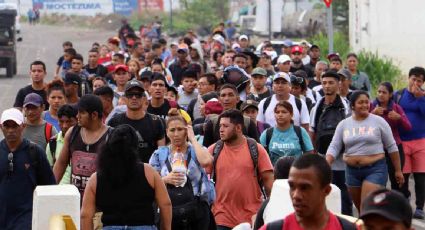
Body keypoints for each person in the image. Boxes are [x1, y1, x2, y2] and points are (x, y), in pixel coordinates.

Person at [81, 125, 172, 230]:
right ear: (135, 146)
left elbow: (85, 215)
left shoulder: (95, 178)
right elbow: (166, 203)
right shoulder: (149, 172)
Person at [326, 90, 404, 211]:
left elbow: (392, 146)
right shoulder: (343, 124)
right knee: (361, 211)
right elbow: (334, 146)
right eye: (360, 102)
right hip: (351, 172)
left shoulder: (379, 121)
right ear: (352, 105)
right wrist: (327, 163)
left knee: (367, 208)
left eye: (366, 102)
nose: (364, 105)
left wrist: (398, 170)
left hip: (375, 169)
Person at [204, 109, 273, 229]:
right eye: (220, 126)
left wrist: (270, 211)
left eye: (225, 126)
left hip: (252, 217)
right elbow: (201, 179)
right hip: (221, 217)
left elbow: (269, 181)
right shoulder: (214, 149)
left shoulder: (256, 149)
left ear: (238, 128)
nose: (221, 129)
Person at [149, 110, 215, 229]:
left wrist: (193, 139)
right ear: (167, 132)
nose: (176, 134)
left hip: (196, 210)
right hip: (170, 210)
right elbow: (150, 183)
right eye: (172, 130)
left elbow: (206, 162)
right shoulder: (159, 154)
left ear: (186, 130)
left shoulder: (197, 150)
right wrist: (165, 179)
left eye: (180, 129)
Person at [260, 154, 356, 230]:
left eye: (305, 188)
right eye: (292, 187)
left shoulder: (348, 228)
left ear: (326, 191)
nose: (296, 195)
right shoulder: (272, 228)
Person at [0, 108, 56, 229]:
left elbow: (49, 186)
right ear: (1, 127)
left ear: (23, 126)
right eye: (7, 126)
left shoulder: (35, 152)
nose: (10, 130)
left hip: (27, 219)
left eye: (15, 126)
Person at [309, 70, 353, 216]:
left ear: (339, 84)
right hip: (323, 159)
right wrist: (313, 156)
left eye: (331, 83)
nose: (327, 86)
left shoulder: (347, 106)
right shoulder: (316, 107)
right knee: (324, 195)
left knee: (344, 197)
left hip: (343, 161)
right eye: (324, 83)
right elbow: (312, 132)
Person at [53, 95, 111, 198]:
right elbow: (61, 164)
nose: (77, 116)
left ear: (94, 115)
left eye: (82, 112)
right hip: (75, 200)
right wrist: (50, 190)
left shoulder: (111, 136)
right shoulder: (72, 133)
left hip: (101, 202)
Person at [108, 80, 166, 163]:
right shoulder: (115, 122)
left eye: (138, 95)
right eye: (130, 95)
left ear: (144, 98)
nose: (134, 98)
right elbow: (109, 152)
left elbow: (162, 154)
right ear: (124, 98)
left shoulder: (156, 122)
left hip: (148, 172)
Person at [394, 66, 425, 219]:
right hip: (402, 141)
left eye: (419, 81)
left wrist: (420, 98)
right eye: (414, 79)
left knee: (420, 176)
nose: (416, 83)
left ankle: (419, 207)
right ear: (409, 78)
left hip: (420, 142)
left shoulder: (423, 96)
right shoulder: (398, 95)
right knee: (403, 176)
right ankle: (405, 200)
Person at [371, 82, 412, 193]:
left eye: (384, 92)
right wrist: (372, 114)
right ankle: (380, 207)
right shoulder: (371, 106)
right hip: (376, 149)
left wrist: (399, 118)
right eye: (379, 92)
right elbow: (361, 123)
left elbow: (408, 126)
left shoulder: (396, 108)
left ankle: (399, 205)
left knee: (397, 180)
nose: (381, 94)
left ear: (390, 95)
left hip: (395, 148)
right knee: (378, 181)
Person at [45, 104, 77, 185]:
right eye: (61, 121)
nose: (65, 126)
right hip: (59, 192)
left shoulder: (83, 141)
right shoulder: (53, 143)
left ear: (77, 120)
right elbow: (48, 171)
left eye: (69, 121)